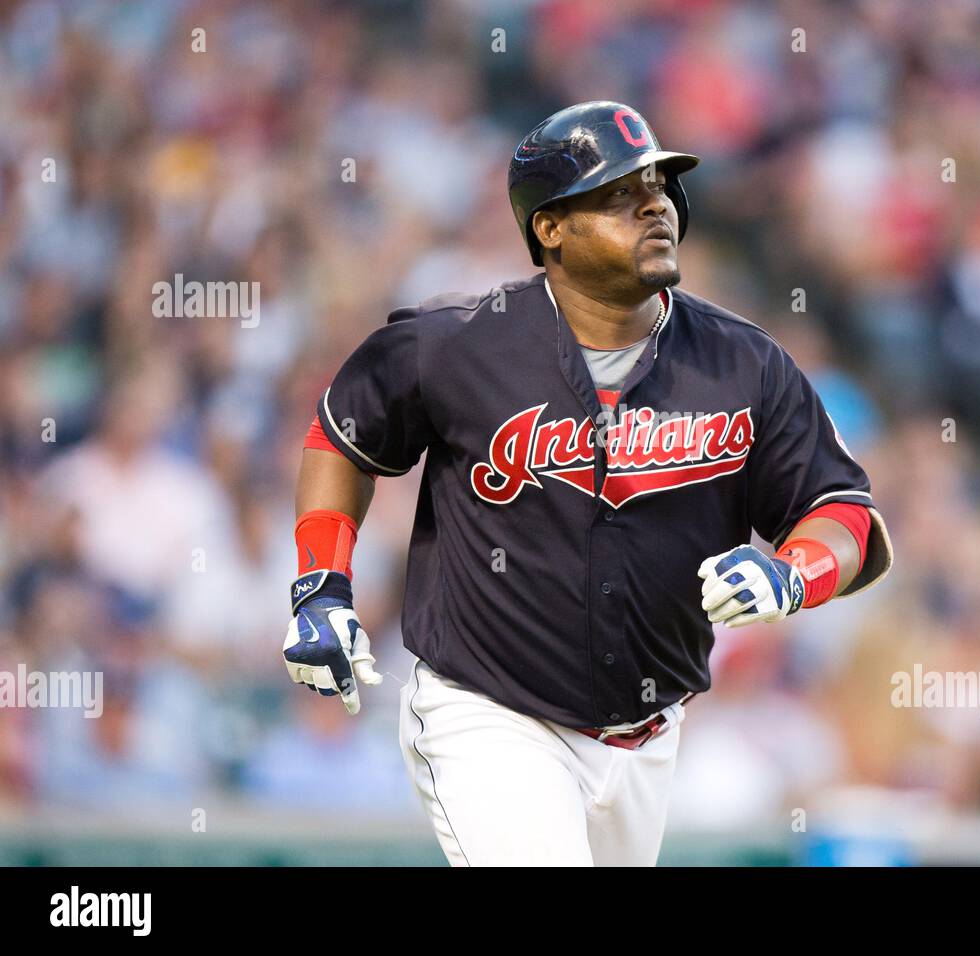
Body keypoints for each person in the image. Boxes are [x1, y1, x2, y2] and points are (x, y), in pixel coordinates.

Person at [281, 101, 893, 866]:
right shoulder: (458, 345)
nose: (654, 206)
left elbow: (844, 515)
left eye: (659, 188)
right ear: (550, 228)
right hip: (490, 714)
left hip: (650, 735)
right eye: (619, 194)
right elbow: (343, 437)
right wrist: (321, 586)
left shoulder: (745, 364)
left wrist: (793, 572)